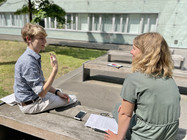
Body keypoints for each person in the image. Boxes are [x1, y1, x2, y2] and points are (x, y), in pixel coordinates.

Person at [105, 32, 180, 140]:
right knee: (124, 108)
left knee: (118, 108)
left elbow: (125, 115)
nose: (131, 52)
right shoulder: (169, 78)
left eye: (134, 48)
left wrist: (118, 138)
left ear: (146, 53)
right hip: (169, 135)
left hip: (146, 136)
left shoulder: (134, 79)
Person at [14, 23, 72, 114]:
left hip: (33, 98)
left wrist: (56, 92)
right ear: (29, 39)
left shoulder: (32, 56)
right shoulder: (28, 62)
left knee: (61, 93)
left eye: (45, 38)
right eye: (41, 38)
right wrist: (55, 69)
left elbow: (41, 82)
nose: (45, 41)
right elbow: (41, 93)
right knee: (72, 99)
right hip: (31, 105)